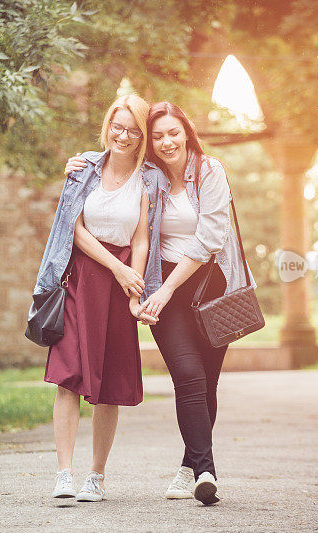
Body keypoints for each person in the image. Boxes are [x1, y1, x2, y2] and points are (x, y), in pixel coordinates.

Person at [64, 101, 254, 505]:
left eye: (174, 133)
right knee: (187, 376)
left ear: (187, 133)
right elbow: (109, 166)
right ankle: (206, 471)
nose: (167, 142)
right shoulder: (147, 178)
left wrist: (167, 289)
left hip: (209, 285)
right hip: (163, 286)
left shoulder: (209, 171)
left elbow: (210, 238)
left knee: (207, 383)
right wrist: (77, 164)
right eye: (159, 135)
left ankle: (189, 468)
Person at [33, 93, 162, 502]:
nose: (121, 136)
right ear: (108, 125)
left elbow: (142, 239)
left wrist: (134, 285)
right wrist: (117, 267)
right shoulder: (84, 168)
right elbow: (73, 228)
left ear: (142, 136)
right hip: (79, 278)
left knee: (108, 383)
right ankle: (64, 474)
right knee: (67, 376)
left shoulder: (148, 178)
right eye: (116, 126)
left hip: (120, 285)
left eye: (131, 130)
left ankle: (96, 476)